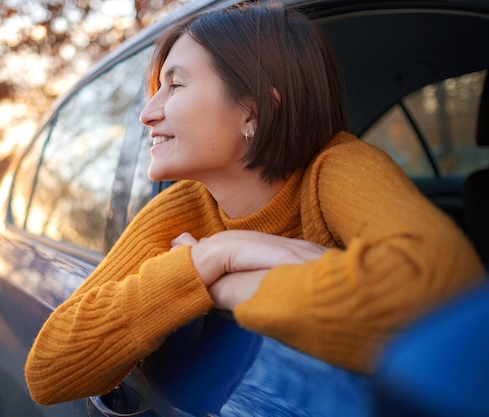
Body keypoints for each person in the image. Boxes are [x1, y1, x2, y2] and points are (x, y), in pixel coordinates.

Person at [25, 4, 484, 405]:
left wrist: (225, 287)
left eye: (175, 85)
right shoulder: (181, 209)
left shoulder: (337, 169)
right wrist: (214, 257)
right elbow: (48, 371)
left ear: (252, 110)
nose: (147, 112)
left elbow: (439, 291)